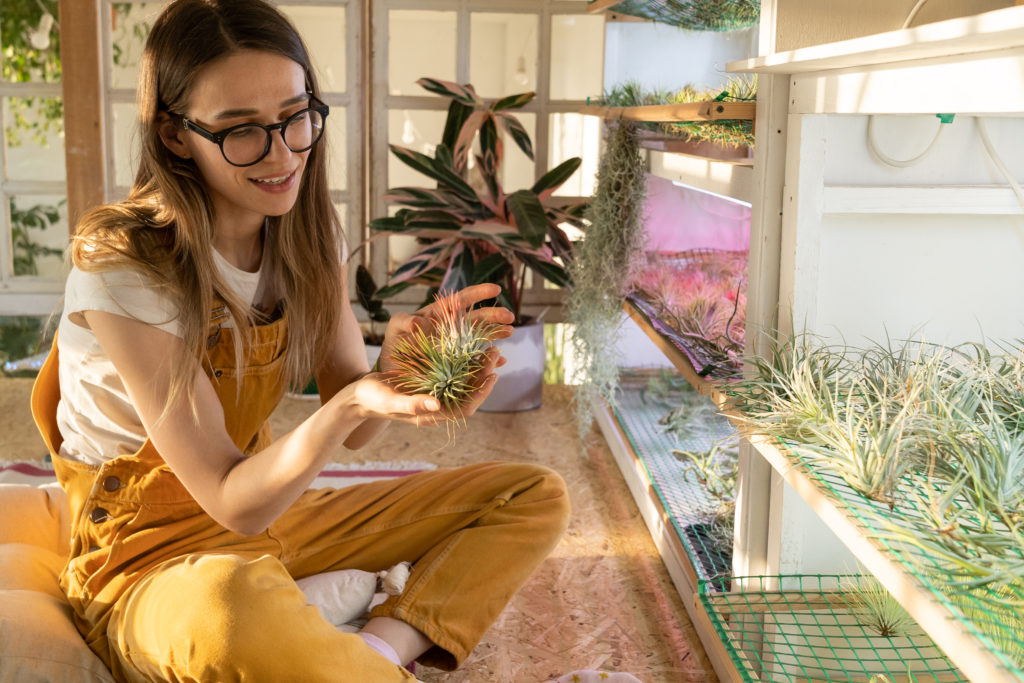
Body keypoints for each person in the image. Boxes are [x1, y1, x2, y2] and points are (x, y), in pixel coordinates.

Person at [30, 1, 570, 680]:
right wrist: (348, 407)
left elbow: (355, 428)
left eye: (295, 115)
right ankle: (322, 635)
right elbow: (234, 498)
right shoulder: (126, 265)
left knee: (533, 494)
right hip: (142, 556)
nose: (283, 153)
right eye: (241, 132)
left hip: (273, 515)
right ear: (173, 134)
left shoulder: (305, 231)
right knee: (229, 608)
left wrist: (392, 376)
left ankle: (376, 651)